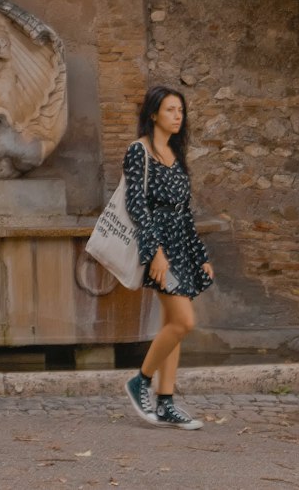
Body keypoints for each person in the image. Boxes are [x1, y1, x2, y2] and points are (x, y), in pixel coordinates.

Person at [123, 85, 215, 429]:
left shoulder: (175, 155)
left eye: (181, 111)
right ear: (153, 115)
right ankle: (140, 381)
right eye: (170, 110)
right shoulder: (139, 152)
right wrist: (155, 255)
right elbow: (137, 206)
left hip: (180, 247)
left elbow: (184, 213)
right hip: (158, 248)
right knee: (183, 321)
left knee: (172, 327)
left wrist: (200, 254)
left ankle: (165, 403)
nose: (178, 116)